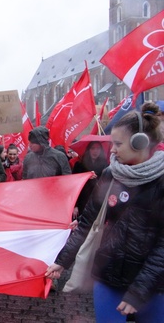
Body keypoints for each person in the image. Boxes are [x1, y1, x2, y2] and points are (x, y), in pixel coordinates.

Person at [46, 102, 164, 322]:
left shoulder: (161, 181)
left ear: (140, 143)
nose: (113, 150)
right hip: (109, 276)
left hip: (153, 286)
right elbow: (86, 222)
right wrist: (62, 261)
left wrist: (139, 291)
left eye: (118, 144)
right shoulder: (111, 174)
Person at [72, 141, 109, 218]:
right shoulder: (79, 165)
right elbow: (73, 186)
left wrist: (98, 178)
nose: (95, 151)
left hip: (96, 203)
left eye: (98, 148)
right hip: (81, 202)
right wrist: (74, 205)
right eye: (92, 148)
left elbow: (106, 186)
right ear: (88, 150)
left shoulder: (105, 167)